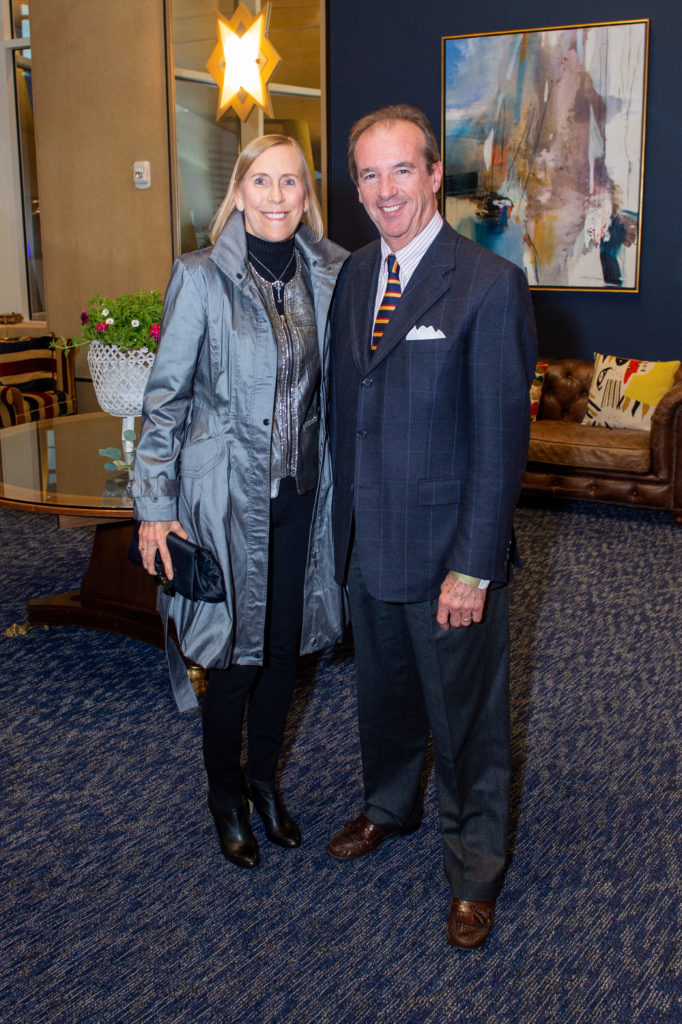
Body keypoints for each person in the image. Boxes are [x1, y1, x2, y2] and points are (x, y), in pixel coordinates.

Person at [327, 106, 537, 948]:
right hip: (368, 542)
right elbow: (349, 412)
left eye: (402, 170)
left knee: (467, 720)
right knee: (383, 698)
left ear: (434, 174)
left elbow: (500, 443)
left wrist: (474, 567)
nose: (386, 190)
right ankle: (389, 806)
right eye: (369, 174)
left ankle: (475, 870)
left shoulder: (487, 284)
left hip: (450, 554)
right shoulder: (353, 277)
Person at [130, 134, 347, 870]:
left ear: (307, 194)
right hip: (224, 501)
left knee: (284, 653)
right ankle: (225, 796)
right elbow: (164, 404)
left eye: (290, 182)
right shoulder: (199, 277)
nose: (276, 196)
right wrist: (155, 506)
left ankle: (263, 785)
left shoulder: (333, 274)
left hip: (302, 496)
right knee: (233, 660)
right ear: (239, 191)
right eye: (262, 181)